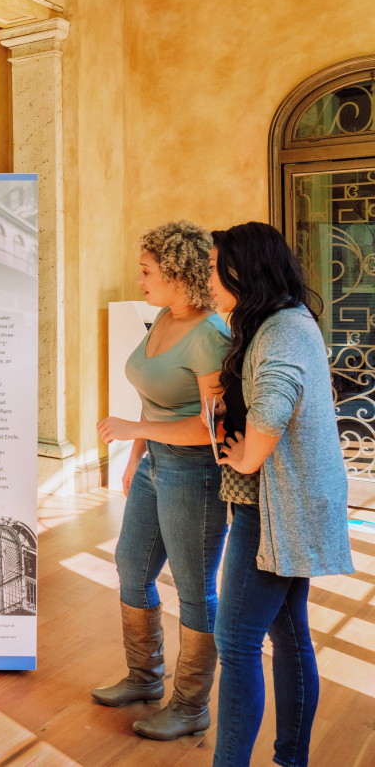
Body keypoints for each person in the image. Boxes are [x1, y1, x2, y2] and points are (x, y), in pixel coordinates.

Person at [209, 222, 352, 767]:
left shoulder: (281, 330)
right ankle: (291, 761)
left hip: (269, 510)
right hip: (280, 503)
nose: (210, 281)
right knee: (290, 637)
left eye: (216, 270)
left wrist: (244, 456)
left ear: (242, 271)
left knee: (237, 643)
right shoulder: (283, 320)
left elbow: (274, 406)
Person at [93, 220, 229, 740]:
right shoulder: (162, 320)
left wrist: (136, 429)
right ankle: (144, 678)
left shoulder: (209, 336)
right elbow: (156, 398)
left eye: (147, 271)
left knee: (194, 591)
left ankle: (192, 705)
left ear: (177, 274)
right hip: (155, 467)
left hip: (194, 473)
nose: (140, 280)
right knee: (131, 565)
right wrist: (136, 454)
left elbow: (212, 428)